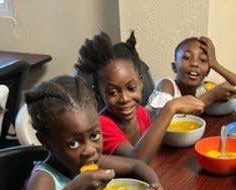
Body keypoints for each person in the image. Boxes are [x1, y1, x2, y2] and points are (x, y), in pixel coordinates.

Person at [11, 75, 167, 190]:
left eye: (94, 135)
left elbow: (137, 165)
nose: (90, 150)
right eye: (73, 143)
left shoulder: (92, 160)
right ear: (45, 141)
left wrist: (155, 186)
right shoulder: (44, 181)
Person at [74, 31, 204, 163]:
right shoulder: (101, 125)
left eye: (131, 88)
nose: (124, 98)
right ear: (98, 93)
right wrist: (170, 108)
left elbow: (151, 150)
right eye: (113, 92)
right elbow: (136, 161)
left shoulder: (141, 113)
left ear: (141, 83)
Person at [147, 36, 236, 113]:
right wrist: (209, 98)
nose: (195, 63)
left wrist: (216, 65)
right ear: (174, 67)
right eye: (186, 57)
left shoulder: (202, 89)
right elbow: (162, 119)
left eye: (202, 60)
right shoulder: (167, 85)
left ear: (208, 71)